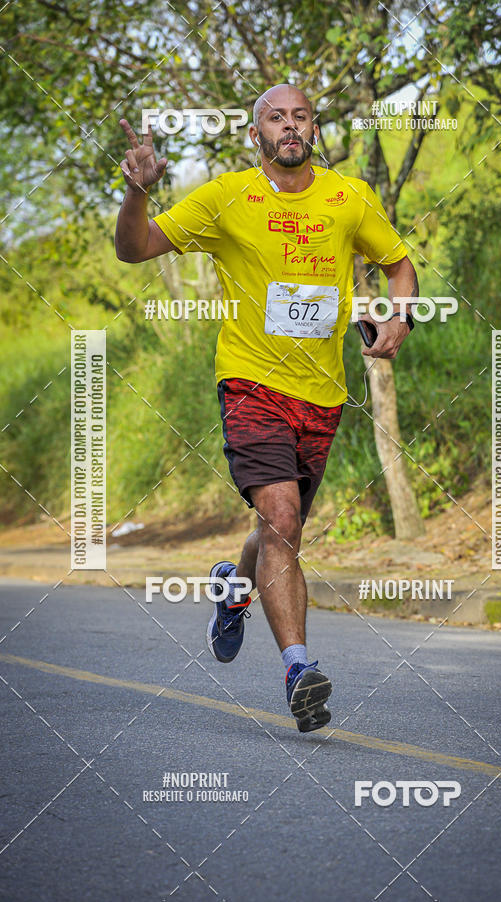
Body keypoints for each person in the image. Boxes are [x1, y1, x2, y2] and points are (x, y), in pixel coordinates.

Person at [115, 83, 418, 733]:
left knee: (278, 529)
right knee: (281, 515)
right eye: (275, 117)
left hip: (322, 394)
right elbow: (134, 249)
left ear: (313, 128)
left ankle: (233, 586)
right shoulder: (227, 198)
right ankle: (299, 670)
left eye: (300, 116)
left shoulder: (348, 198)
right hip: (251, 383)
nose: (289, 126)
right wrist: (138, 190)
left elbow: (399, 265)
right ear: (256, 135)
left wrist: (401, 316)